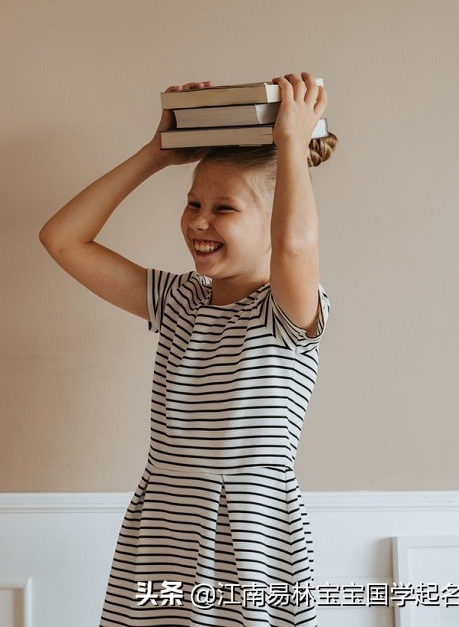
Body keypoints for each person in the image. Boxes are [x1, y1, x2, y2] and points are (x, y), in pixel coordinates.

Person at [39, 73, 337, 626]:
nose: (198, 221)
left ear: (274, 221)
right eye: (193, 202)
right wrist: (158, 153)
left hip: (250, 543)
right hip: (162, 533)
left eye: (223, 209)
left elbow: (296, 245)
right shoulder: (179, 300)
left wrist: (291, 143)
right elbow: (62, 238)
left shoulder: (287, 315)